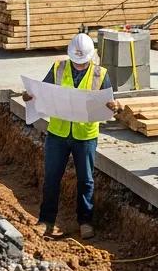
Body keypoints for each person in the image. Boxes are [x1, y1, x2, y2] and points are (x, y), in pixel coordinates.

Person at [23, 33, 118, 239]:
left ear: (91, 57)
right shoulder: (58, 68)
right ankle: (46, 220)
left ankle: (85, 222)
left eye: (83, 62)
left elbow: (109, 102)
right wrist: (29, 96)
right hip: (58, 133)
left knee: (86, 180)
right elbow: (42, 91)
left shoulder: (100, 74)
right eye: (76, 62)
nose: (79, 65)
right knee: (52, 178)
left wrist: (114, 106)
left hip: (85, 135)